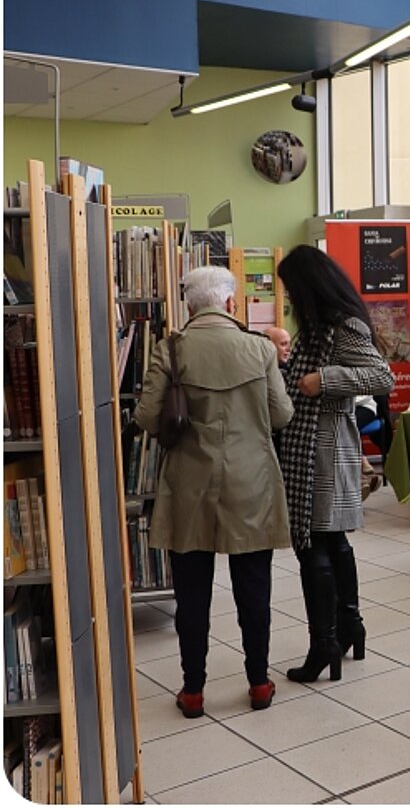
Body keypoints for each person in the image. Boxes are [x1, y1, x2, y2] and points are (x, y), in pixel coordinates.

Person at [133, 266, 293, 718]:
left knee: (192, 594)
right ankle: (259, 683)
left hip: (189, 483)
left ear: (188, 305)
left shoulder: (171, 350)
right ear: (229, 303)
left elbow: (146, 418)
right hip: (251, 480)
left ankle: (193, 691)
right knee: (253, 589)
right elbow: (281, 415)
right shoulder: (261, 349)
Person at [276, 245, 395, 682]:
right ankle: (348, 626)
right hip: (318, 443)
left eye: (291, 287)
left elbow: (382, 377)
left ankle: (324, 642)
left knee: (315, 546)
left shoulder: (344, 327)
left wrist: (323, 380)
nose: (288, 296)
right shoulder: (316, 327)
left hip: (323, 446)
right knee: (333, 542)